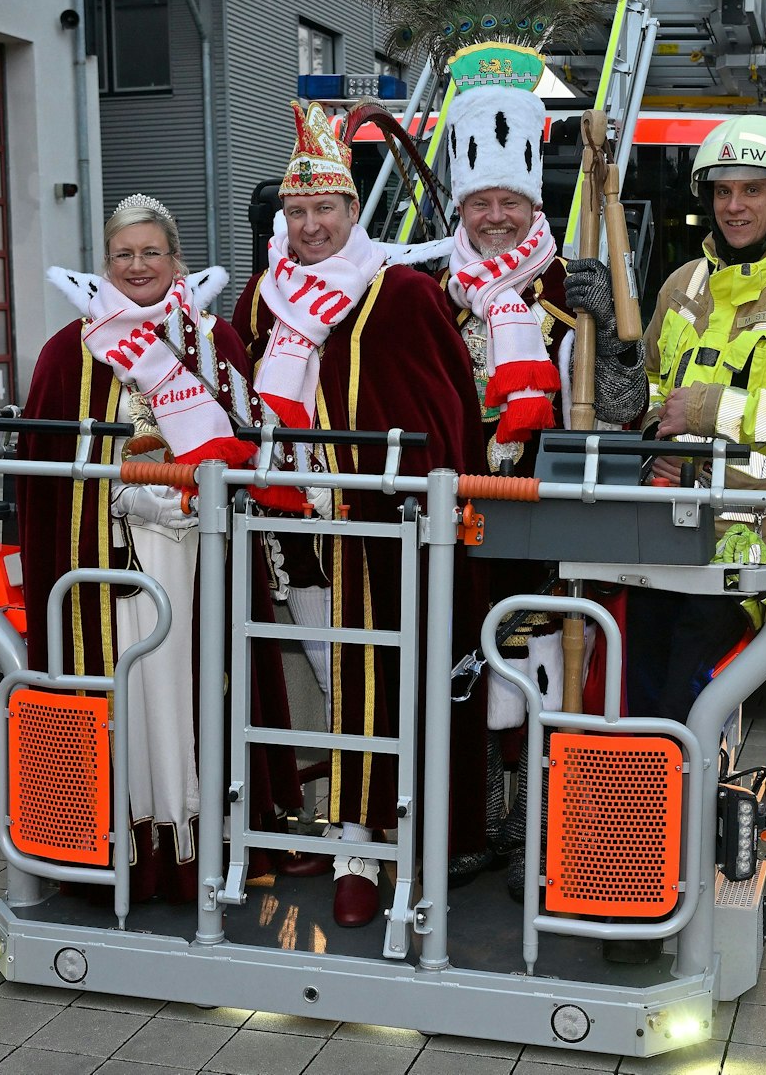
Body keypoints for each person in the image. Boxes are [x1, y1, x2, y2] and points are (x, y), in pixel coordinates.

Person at [231, 101, 488, 929]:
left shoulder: (401, 292)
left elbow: (448, 416)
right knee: (330, 682)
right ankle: (347, 823)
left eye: (324, 211)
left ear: (352, 212)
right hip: (290, 537)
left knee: (374, 683)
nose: (309, 226)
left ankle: (360, 847)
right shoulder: (262, 299)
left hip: (381, 536)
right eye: (296, 212)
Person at [18, 194, 300, 905]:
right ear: (104, 264)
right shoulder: (67, 352)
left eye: (151, 252)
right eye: (123, 254)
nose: (137, 265)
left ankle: (218, 841)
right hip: (109, 568)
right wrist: (120, 494)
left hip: (200, 560)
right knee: (130, 703)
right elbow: (45, 481)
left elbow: (247, 442)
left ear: (175, 259)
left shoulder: (214, 341)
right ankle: (127, 854)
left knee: (203, 690)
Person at [427, 42, 650, 897]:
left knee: (545, 671)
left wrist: (617, 339)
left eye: (509, 201)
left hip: (544, 516)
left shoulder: (572, 284)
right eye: (479, 201)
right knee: (460, 671)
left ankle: (535, 828)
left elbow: (627, 408)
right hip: (454, 518)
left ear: (532, 203)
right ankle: (473, 819)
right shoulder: (426, 289)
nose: (494, 217)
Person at [567, 115, 766, 724]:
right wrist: (653, 430)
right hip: (661, 530)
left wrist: (706, 411)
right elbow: (644, 395)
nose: (734, 206)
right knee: (634, 702)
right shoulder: (682, 285)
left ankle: (689, 813)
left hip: (751, 543)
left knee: (686, 707)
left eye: (752, 190)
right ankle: (645, 815)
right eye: (723, 191)